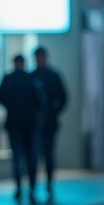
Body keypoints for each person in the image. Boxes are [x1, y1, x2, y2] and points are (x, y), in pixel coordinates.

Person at [0, 54, 43, 202]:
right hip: (30, 124)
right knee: (31, 157)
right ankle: (32, 188)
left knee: (17, 156)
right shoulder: (31, 80)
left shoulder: (8, 79)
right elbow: (40, 102)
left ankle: (18, 187)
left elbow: (0, 97)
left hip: (14, 123)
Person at [32, 47, 68, 197]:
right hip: (33, 124)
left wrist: (54, 111)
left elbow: (64, 97)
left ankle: (49, 183)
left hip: (49, 123)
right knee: (34, 155)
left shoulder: (53, 76)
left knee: (48, 154)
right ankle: (33, 186)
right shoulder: (32, 76)